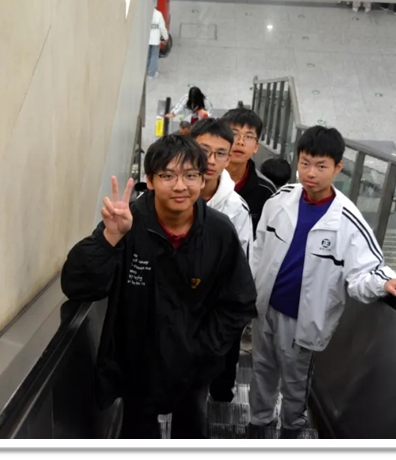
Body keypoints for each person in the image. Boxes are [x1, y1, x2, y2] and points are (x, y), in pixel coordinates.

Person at [60, 134, 257, 439]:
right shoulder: (128, 223)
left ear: (202, 179)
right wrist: (109, 239)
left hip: (194, 368)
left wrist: (203, 349)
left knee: (191, 433)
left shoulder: (219, 232)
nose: (180, 186)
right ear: (150, 181)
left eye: (190, 175)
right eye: (167, 176)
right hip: (137, 366)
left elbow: (239, 300)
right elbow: (78, 285)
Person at [246, 125, 396, 439]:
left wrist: (385, 282)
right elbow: (259, 250)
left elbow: (365, 269)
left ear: (338, 167)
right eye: (305, 163)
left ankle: (291, 431)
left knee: (296, 382)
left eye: (321, 166)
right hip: (265, 309)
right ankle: (258, 423)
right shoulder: (280, 200)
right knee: (261, 370)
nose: (311, 173)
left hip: (303, 320)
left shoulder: (347, 219)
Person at [189, 118, 254, 404]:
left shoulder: (236, 208)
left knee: (217, 374)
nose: (211, 161)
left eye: (220, 154)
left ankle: (221, 399)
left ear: (229, 158)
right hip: (175, 310)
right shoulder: (172, 194)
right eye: (204, 151)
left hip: (215, 311)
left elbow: (240, 270)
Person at [220, 108, 277, 237]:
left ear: (256, 147)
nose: (240, 142)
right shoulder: (204, 181)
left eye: (249, 137)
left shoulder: (266, 190)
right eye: (234, 134)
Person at [148, 8, 169, 78]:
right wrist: (165, 37)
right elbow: (162, 28)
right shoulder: (158, 14)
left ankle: (147, 70)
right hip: (155, 39)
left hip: (147, 39)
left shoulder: (145, 13)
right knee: (154, 56)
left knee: (148, 56)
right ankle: (151, 73)